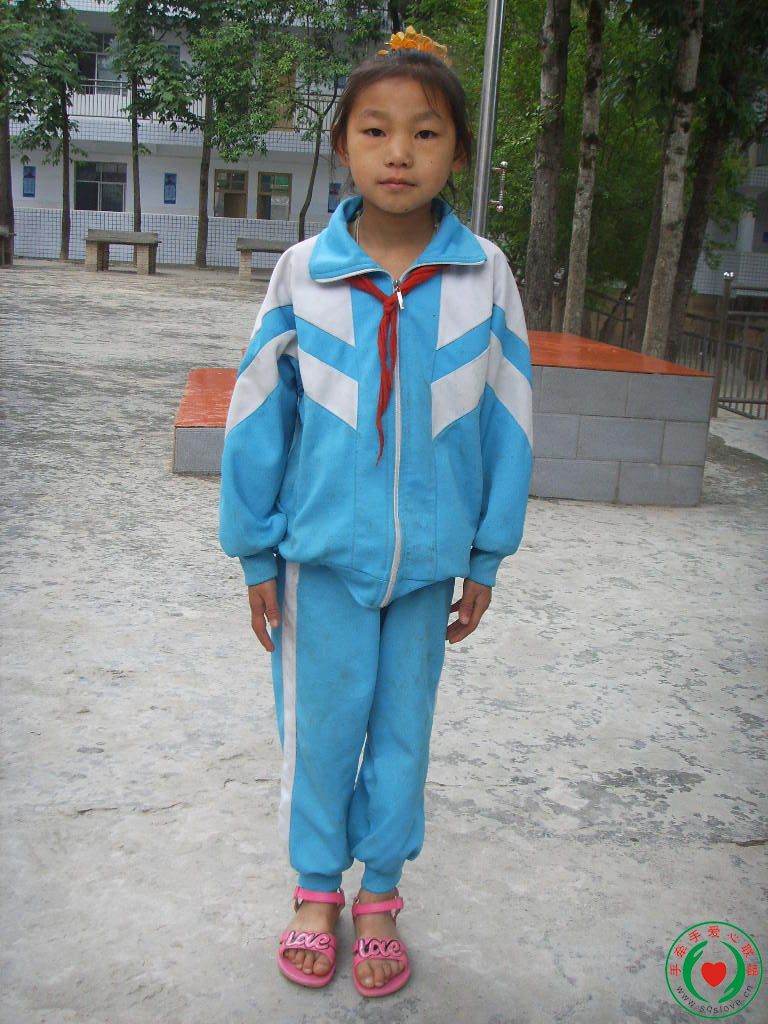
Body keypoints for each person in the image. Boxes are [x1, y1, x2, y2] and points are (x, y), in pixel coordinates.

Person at [219, 25, 533, 998]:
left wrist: (486, 553)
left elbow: (510, 417)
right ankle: (318, 890)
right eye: (376, 130)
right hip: (321, 562)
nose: (400, 152)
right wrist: (256, 554)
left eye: (426, 132)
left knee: (403, 738)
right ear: (343, 146)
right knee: (321, 735)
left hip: (430, 567)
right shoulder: (302, 274)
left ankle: (382, 895)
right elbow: (256, 418)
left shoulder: (484, 275)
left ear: (458, 152)